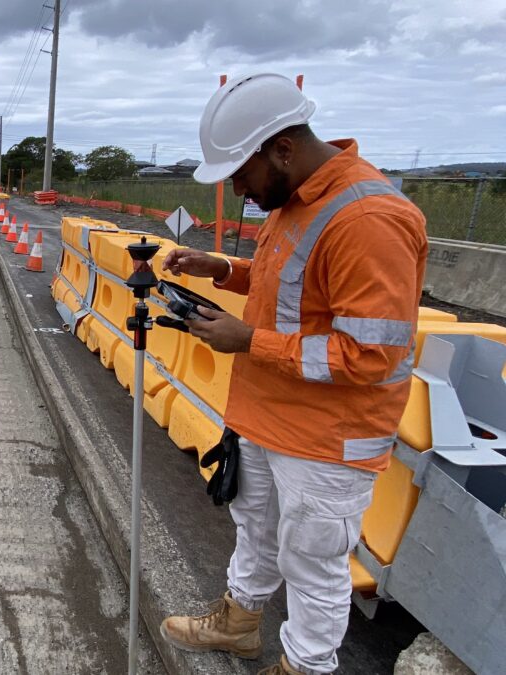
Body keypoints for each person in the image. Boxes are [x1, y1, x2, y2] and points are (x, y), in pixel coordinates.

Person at [156, 73, 428, 674]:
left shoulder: (368, 219)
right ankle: (240, 623)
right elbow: (297, 285)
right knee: (256, 529)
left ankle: (304, 665)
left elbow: (369, 356)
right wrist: (223, 268)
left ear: (282, 147)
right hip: (270, 416)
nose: (239, 189)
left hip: (327, 437)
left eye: (241, 174)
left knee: (312, 564)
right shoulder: (296, 197)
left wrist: (249, 340)